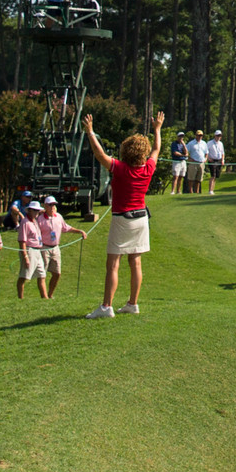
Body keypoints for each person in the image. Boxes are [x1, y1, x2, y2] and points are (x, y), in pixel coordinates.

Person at [86, 110, 165, 318]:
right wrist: (157, 129)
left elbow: (99, 154)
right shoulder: (147, 168)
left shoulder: (120, 168)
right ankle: (132, 303)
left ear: (126, 151)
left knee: (113, 263)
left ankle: (106, 307)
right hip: (141, 218)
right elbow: (157, 148)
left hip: (122, 218)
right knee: (136, 261)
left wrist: (90, 132)